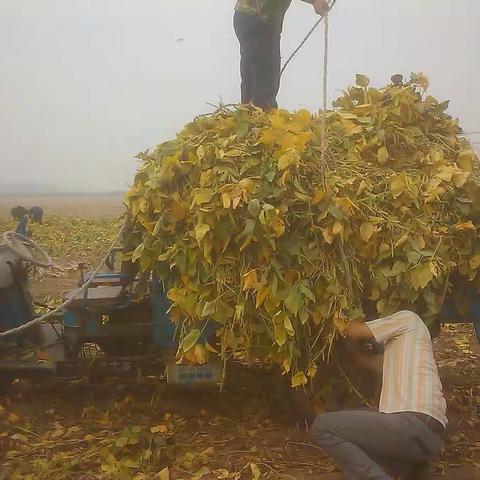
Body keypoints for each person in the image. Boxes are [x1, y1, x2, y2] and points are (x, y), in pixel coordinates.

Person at [312, 311, 447, 480]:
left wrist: (327, 316)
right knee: (363, 421)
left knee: (323, 426)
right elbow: (367, 362)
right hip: (430, 437)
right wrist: (352, 353)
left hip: (410, 423)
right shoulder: (405, 350)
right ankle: (412, 469)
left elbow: (353, 330)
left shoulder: (408, 318)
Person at [234, 0, 329, 110]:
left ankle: (251, 116)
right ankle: (261, 118)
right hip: (258, 19)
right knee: (264, 82)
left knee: (255, 76)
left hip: (252, 18)